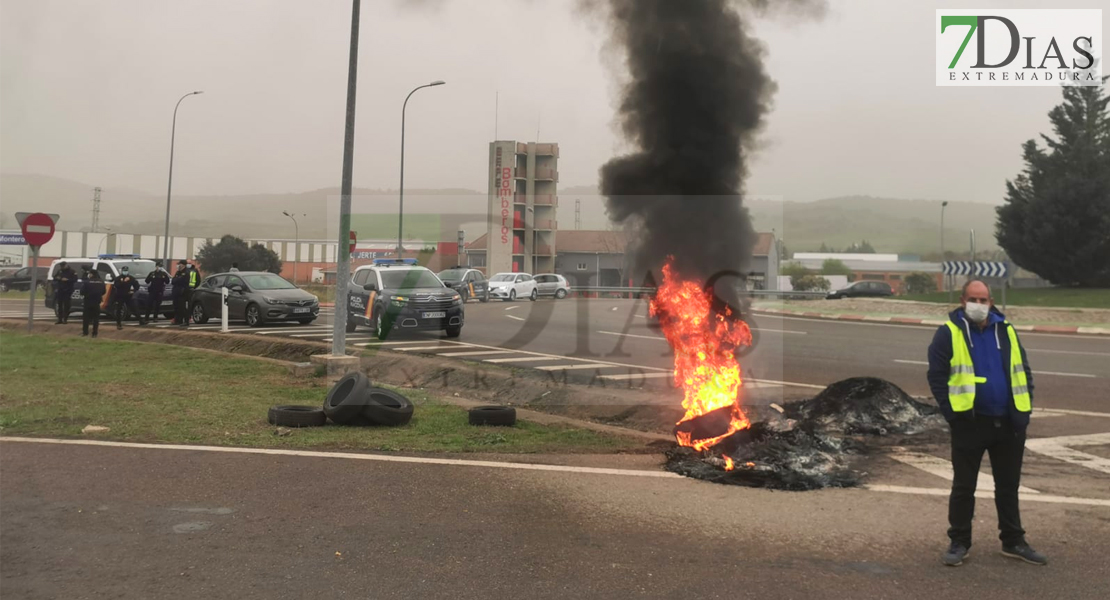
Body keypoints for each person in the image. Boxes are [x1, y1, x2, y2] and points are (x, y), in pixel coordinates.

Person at [927, 279, 1045, 567]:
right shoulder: (949, 333)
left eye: (984, 300)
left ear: (991, 302)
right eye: (974, 299)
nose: (979, 305)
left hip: (1008, 423)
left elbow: (1023, 370)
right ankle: (959, 542)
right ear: (962, 300)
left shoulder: (1006, 331)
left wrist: (1023, 411)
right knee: (964, 487)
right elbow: (937, 377)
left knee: (1008, 486)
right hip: (970, 423)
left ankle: (1013, 541)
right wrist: (953, 414)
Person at [80, 269, 106, 337]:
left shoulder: (87, 282)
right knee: (96, 318)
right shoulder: (101, 282)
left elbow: (81, 292)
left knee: (86, 318)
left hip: (88, 301)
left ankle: (85, 332)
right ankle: (95, 333)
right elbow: (104, 291)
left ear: (92, 274)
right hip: (97, 302)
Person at [172, 261, 190, 326]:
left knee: (182, 307)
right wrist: (177, 279)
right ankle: (178, 320)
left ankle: (186, 321)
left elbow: (183, 281)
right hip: (176, 292)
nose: (179, 265)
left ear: (183, 265)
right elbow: (173, 281)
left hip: (182, 292)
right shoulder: (178, 272)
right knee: (176, 307)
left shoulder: (186, 272)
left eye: (180, 264)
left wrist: (177, 279)